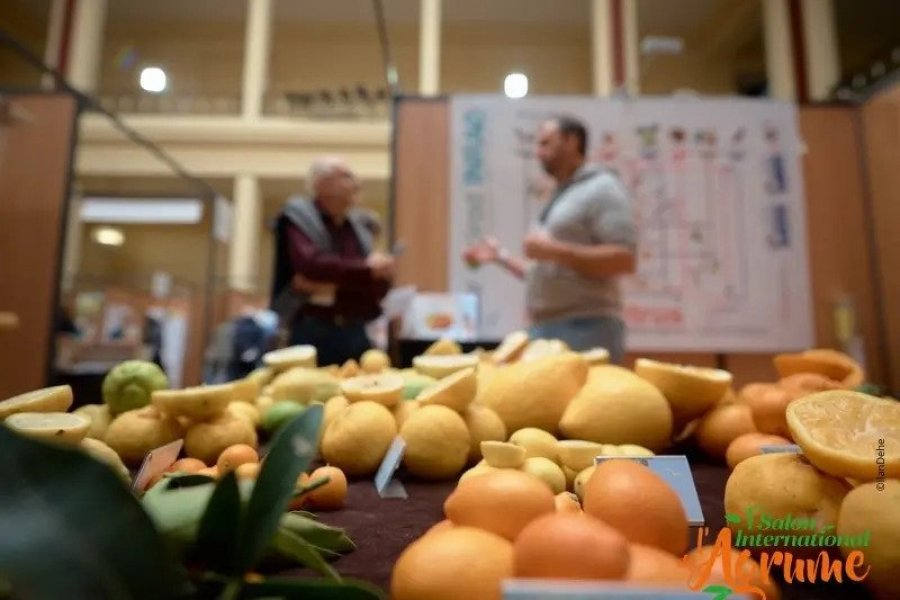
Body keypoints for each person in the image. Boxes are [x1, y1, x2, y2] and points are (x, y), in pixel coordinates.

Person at [463, 116, 637, 363]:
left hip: (588, 329)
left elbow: (624, 259)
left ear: (572, 141)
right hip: (547, 328)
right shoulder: (560, 196)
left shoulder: (602, 188)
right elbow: (548, 270)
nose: (539, 152)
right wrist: (499, 256)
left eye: (546, 143)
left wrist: (552, 250)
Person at [270, 156, 395, 366]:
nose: (357, 183)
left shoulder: (359, 226)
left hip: (355, 328)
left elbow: (366, 280)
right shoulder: (298, 216)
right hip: (312, 328)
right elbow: (310, 265)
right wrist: (365, 270)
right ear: (321, 183)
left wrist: (374, 273)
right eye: (346, 176)